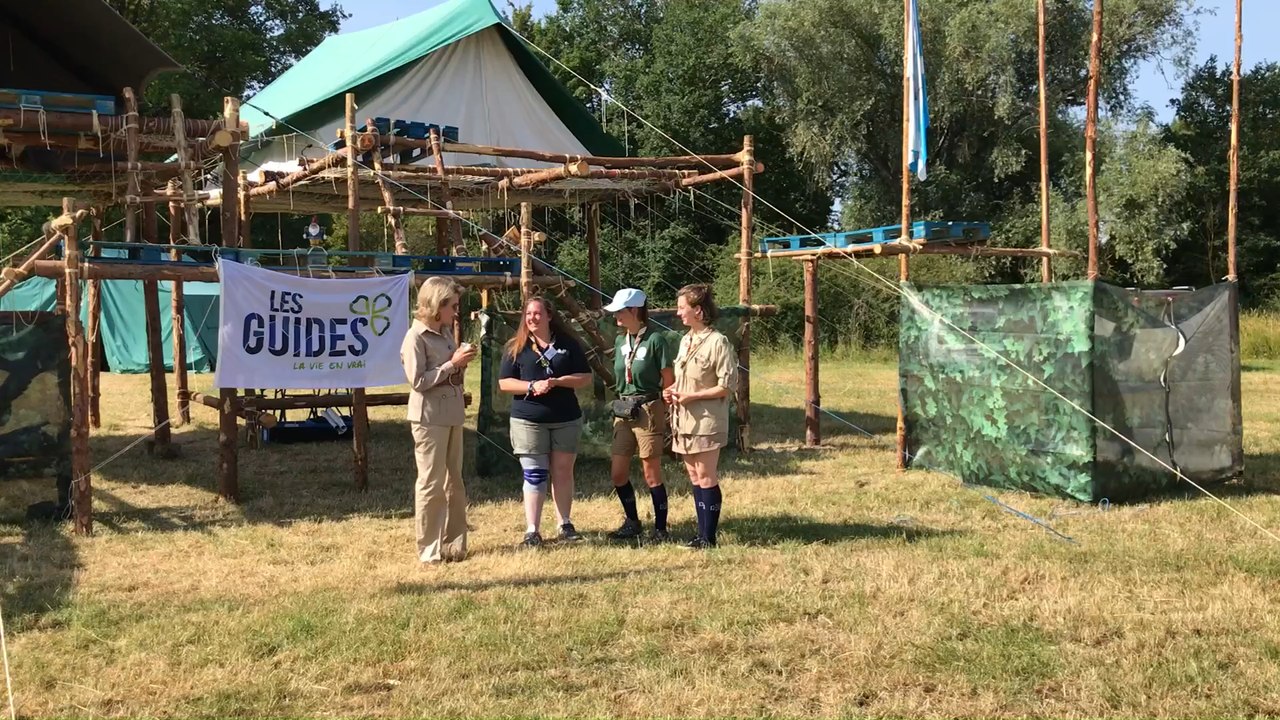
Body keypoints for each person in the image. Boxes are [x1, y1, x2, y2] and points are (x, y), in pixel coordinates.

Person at [499, 295, 594, 547]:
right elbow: (505, 383)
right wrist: (532, 385)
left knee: (563, 472)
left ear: (549, 316)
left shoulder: (568, 344)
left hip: (565, 418)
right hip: (528, 420)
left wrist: (558, 382)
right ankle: (532, 530)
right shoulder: (515, 347)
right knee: (535, 473)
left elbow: (585, 377)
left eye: (538, 313)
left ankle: (565, 523)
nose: (532, 318)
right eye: (528, 314)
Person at [400, 277, 477, 566]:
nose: (456, 312)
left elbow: (449, 374)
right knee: (431, 483)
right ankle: (429, 550)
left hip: (452, 413)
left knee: (454, 481)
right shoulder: (415, 337)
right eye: (452, 306)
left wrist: (461, 363)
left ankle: (454, 545)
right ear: (436, 305)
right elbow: (418, 381)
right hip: (429, 418)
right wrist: (452, 364)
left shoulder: (445, 332)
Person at [664, 284, 738, 549]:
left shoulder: (718, 342)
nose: (678, 313)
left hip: (707, 420)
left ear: (698, 310)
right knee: (694, 476)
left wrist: (693, 397)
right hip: (683, 420)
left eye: (682, 307)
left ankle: (709, 537)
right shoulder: (686, 340)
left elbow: (727, 385)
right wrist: (673, 390)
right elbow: (687, 378)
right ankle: (700, 533)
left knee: (706, 476)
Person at [602, 288, 675, 543]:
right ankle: (632, 522)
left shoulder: (656, 340)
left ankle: (661, 529)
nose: (616, 317)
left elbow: (668, 380)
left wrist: (666, 410)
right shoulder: (620, 341)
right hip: (624, 410)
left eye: (620, 311)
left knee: (651, 473)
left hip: (647, 409)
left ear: (634, 310)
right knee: (618, 473)